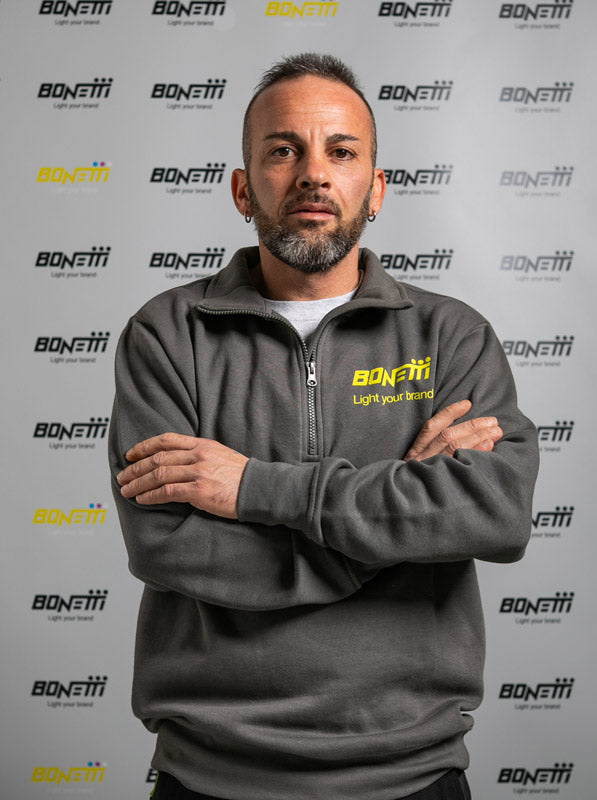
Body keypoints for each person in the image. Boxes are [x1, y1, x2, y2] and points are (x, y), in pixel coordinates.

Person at [109, 53, 538, 800]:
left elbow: (495, 513)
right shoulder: (168, 335)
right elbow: (167, 543)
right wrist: (394, 526)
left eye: (341, 152)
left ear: (376, 189)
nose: (313, 173)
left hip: (413, 772)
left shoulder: (452, 338)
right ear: (243, 189)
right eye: (284, 150)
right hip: (211, 773)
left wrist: (253, 488)